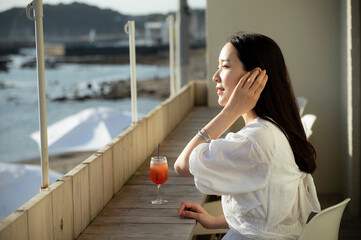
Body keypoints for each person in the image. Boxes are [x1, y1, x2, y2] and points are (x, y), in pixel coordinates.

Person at [174, 31, 321, 240]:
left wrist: (230, 112)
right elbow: (271, 208)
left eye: (224, 66)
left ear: (253, 78)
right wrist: (215, 221)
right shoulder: (279, 130)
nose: (215, 77)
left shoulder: (256, 139)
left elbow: (182, 165)